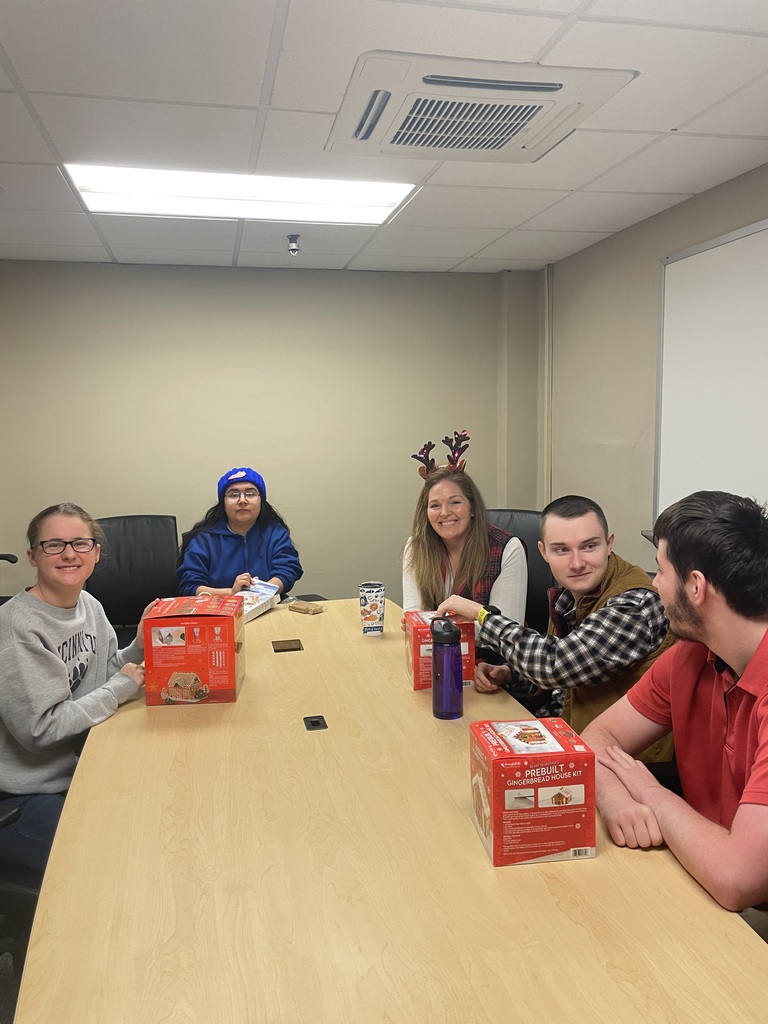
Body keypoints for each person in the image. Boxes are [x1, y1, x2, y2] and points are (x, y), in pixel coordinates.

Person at [581, 491, 768, 923]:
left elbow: (740, 879)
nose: (654, 583)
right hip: (710, 878)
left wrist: (647, 792)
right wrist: (614, 802)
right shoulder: (690, 656)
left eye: (662, 571)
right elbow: (596, 738)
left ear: (696, 587)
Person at [436, 495, 674, 760]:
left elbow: (556, 665)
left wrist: (482, 616)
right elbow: (564, 682)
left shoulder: (635, 604)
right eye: (562, 549)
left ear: (609, 544)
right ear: (543, 552)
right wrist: (509, 674)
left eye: (589, 547)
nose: (576, 563)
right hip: (572, 736)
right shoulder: (570, 595)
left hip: (624, 766)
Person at [0, 503, 153, 873]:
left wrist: (140, 646)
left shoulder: (88, 604)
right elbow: (42, 729)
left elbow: (101, 675)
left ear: (96, 553)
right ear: (33, 556)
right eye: (53, 544)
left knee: (152, 821)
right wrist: (121, 688)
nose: (69, 554)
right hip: (25, 794)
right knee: (108, 865)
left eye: (81, 543)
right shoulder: (18, 630)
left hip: (80, 766)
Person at [402, 433, 527, 626]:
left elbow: (508, 631)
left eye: (455, 502)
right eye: (435, 505)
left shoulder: (507, 549)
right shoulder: (415, 547)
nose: (444, 513)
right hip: (431, 652)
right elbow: (412, 619)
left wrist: (434, 626)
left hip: (491, 656)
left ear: (472, 507)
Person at [177, 466, 303, 597]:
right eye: (234, 494)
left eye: (250, 494)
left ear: (261, 501)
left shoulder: (275, 532)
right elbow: (190, 585)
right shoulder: (203, 539)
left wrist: (262, 594)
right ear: (223, 503)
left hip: (268, 607)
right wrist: (231, 593)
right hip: (219, 610)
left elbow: (287, 570)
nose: (242, 500)